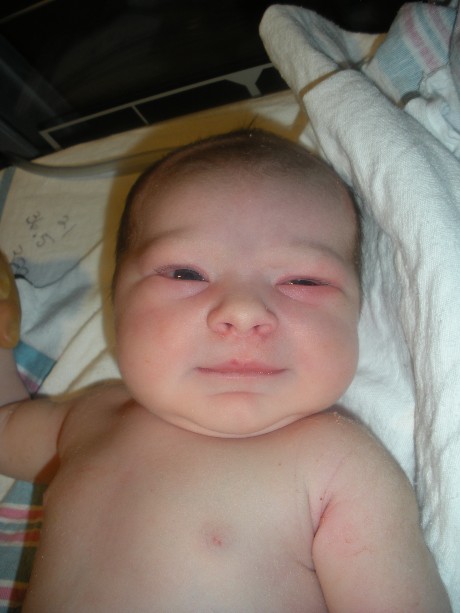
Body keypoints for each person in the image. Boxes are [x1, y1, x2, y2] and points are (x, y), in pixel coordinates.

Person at [0, 129, 451, 612]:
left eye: (302, 281)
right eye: (186, 274)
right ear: (116, 305)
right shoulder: (90, 417)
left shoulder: (340, 463)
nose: (243, 310)